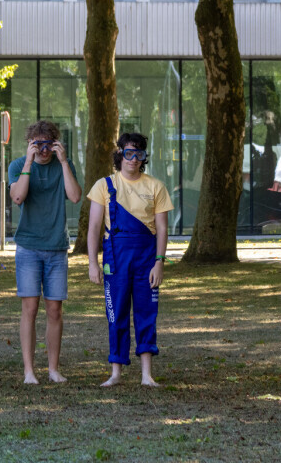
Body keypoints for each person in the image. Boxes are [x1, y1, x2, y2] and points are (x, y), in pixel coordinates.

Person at [86, 132, 172, 387]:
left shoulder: (156, 187)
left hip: (147, 259)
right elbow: (94, 228)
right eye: (129, 153)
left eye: (139, 154)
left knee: (147, 314)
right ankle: (116, 372)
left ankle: (147, 375)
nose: (134, 159)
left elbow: (162, 229)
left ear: (144, 157)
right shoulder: (104, 186)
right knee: (116, 313)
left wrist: (159, 262)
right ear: (120, 154)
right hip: (115, 259)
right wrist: (93, 263)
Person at [7, 120, 81, 384]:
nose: (44, 149)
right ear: (30, 143)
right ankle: (29, 371)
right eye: (38, 144)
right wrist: (29, 162)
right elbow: (17, 197)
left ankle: (53, 369)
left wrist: (64, 162)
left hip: (57, 247)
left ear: (56, 143)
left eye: (48, 144)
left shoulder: (64, 165)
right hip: (28, 247)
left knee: (54, 310)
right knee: (29, 309)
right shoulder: (18, 165)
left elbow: (75, 197)